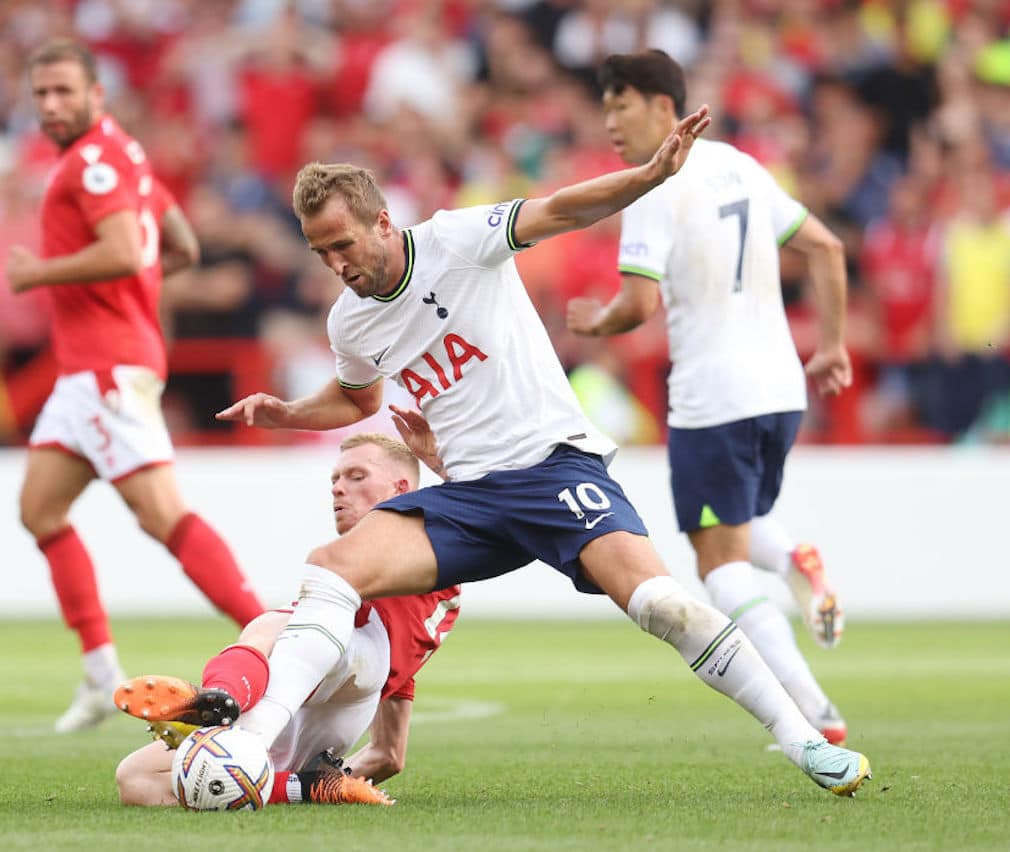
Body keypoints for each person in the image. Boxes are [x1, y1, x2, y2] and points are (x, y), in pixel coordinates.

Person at [213, 109, 874, 797]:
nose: (337, 264)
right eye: (321, 253)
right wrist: (288, 413)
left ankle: (804, 742)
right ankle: (248, 750)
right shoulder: (349, 320)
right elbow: (355, 400)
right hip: (469, 497)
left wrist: (646, 177)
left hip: (556, 469)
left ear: (383, 222)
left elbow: (559, 208)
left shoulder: (457, 240)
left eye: (343, 244)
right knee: (331, 568)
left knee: (662, 606)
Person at [565, 50, 851, 744]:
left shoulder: (653, 185)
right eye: (606, 106)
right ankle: (791, 560)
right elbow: (828, 248)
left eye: (621, 104)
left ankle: (816, 714)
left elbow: (636, 304)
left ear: (665, 107)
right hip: (781, 389)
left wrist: (594, 322)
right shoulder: (743, 166)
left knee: (716, 564)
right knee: (741, 525)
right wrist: (834, 345)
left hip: (713, 395)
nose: (610, 121)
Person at [6, 39, 265, 733]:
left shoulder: (90, 163)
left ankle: (273, 637)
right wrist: (134, 291)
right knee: (40, 509)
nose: (52, 105)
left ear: (98, 94)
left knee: (163, 517)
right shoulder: (129, 155)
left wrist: (40, 273)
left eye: (64, 91)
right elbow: (178, 246)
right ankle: (99, 675)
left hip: (104, 367)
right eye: (42, 94)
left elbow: (125, 250)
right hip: (91, 366)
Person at [112, 432, 460, 806]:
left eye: (356, 477)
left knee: (273, 625)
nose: (339, 489)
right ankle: (299, 785)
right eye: (335, 480)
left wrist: (443, 466)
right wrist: (337, 780)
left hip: (345, 661)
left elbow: (467, 505)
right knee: (135, 779)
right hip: (334, 707)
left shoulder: (409, 541)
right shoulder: (429, 578)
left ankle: (223, 697)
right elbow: (390, 754)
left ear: (402, 488)